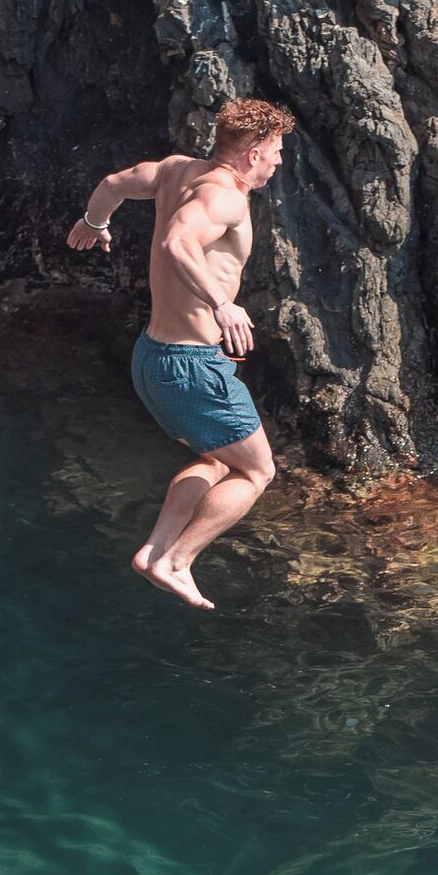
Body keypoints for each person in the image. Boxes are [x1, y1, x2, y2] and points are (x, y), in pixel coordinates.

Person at [66, 95, 292, 608]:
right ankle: (176, 559)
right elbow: (176, 242)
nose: (280, 161)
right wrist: (223, 306)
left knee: (216, 460)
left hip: (152, 358)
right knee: (257, 472)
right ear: (254, 152)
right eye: (276, 150)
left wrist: (95, 222)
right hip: (190, 365)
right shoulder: (223, 197)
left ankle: (156, 552)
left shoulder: (174, 171)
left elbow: (113, 185)